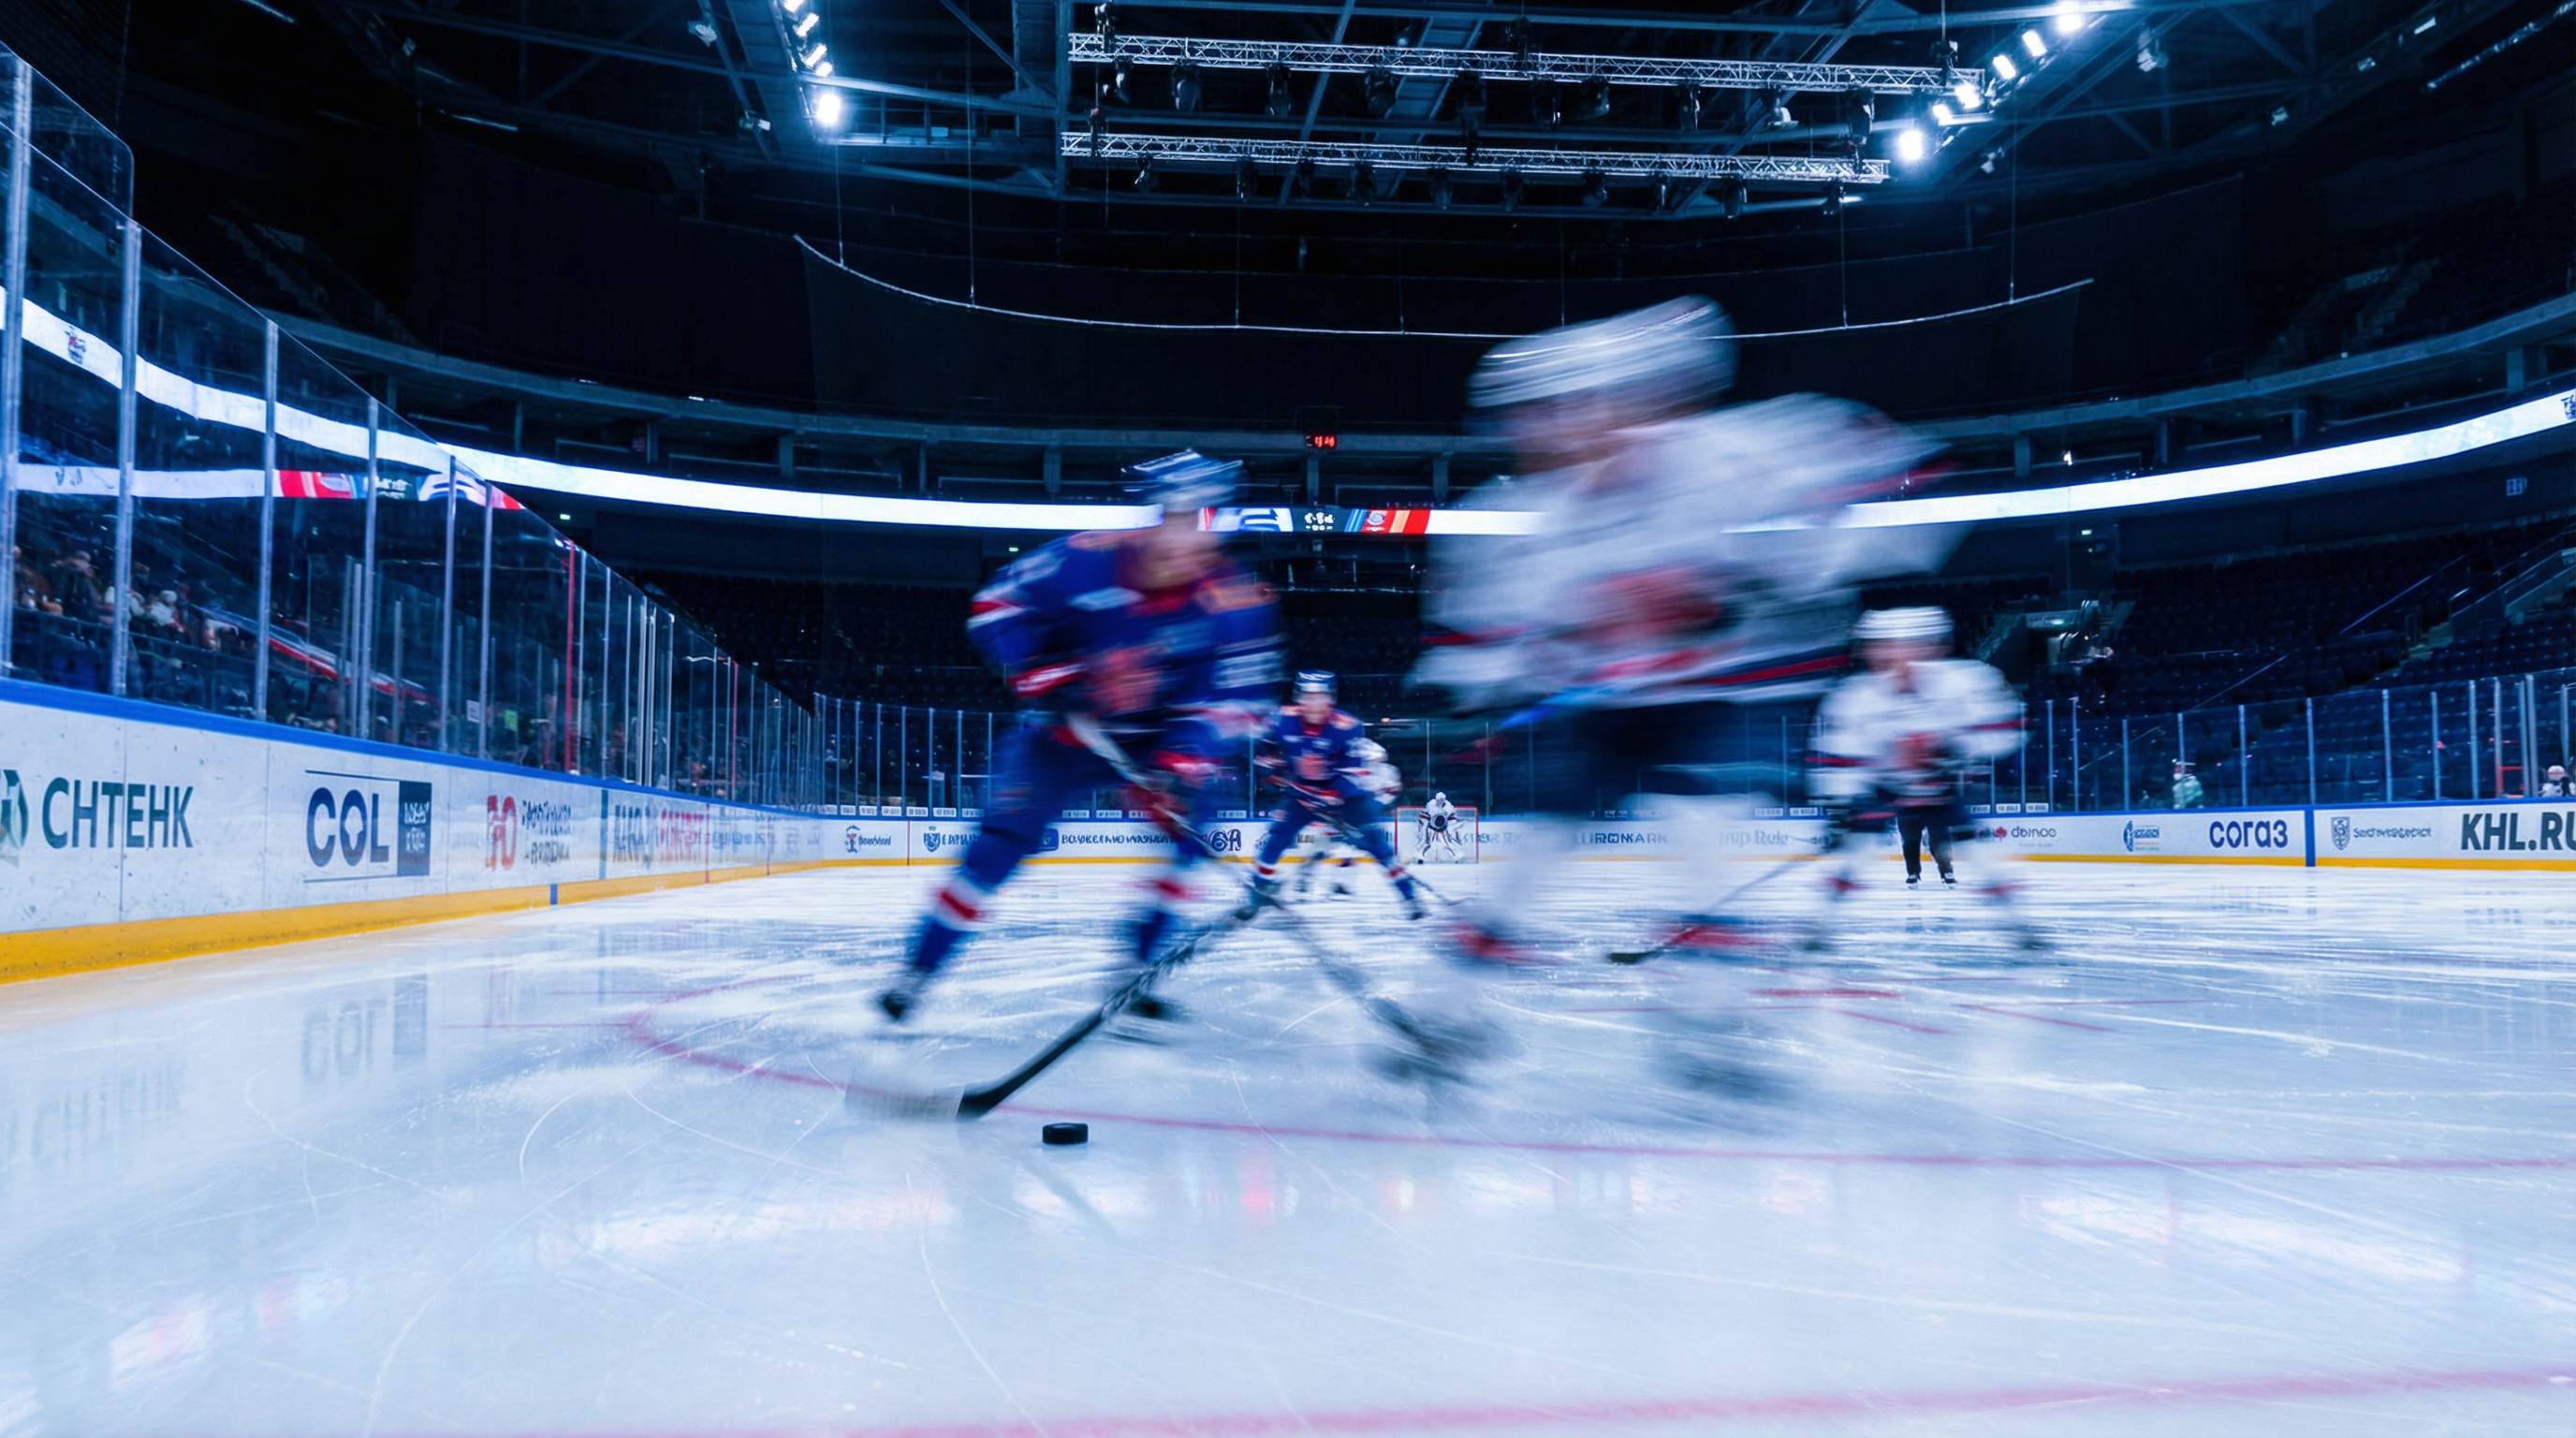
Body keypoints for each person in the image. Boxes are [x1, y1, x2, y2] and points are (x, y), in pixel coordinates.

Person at [1412, 296, 1952, 962]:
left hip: (1704, 692)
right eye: (1532, 416)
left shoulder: (1729, 458)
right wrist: (1506, 678)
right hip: (1608, 703)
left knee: (1698, 811)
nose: (1541, 432)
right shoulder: (1536, 514)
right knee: (1554, 815)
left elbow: (1906, 477)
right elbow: (1488, 634)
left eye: (1561, 408)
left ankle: (1711, 974)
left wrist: (1805, 570)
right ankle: (1476, 961)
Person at [877, 451, 1282, 1022]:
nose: (1182, 538)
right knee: (997, 846)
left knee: (1192, 835)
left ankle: (1134, 970)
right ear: (1150, 515)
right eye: (1171, 517)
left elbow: (1242, 702)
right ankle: (917, 972)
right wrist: (1049, 676)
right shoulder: (1081, 559)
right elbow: (994, 607)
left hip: (1156, 743)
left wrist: (1183, 761)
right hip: (1060, 738)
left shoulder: (1235, 604)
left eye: (1199, 520)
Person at [1808, 609, 2037, 944]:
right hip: (1886, 785)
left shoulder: (1966, 682)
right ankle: (1821, 926)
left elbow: (2009, 728)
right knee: (1855, 853)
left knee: (1978, 851)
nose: (1887, 655)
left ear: (1929, 646)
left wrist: (1951, 750)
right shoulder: (1857, 696)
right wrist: (1840, 807)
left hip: (1940, 787)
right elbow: (1837, 755)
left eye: (1897, 645)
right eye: (1879, 646)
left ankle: (2021, 926)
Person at [1245, 672, 1427, 920]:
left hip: (1348, 799)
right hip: (1302, 792)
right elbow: (1264, 745)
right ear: (1299, 699)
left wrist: (1331, 795)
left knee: (1375, 843)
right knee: (1277, 836)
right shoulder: (1282, 718)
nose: (1313, 703)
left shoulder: (1347, 726)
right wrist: (1271, 767)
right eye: (1307, 697)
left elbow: (1353, 774)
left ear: (1330, 699)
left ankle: (1409, 896)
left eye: (1319, 696)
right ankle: (1258, 891)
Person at [1295, 735, 1403, 897]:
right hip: (1336, 818)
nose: (1374, 762)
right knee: (1321, 850)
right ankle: (1305, 879)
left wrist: (1370, 808)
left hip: (1358, 820)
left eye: (1376, 759)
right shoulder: (1350, 770)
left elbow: (1388, 793)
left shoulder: (1386, 772)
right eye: (1371, 759)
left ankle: (1341, 884)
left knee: (1347, 852)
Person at [1417, 790, 1465, 862]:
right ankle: (1420, 855)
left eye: (1442, 800)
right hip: (1431, 829)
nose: (1440, 801)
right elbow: (1424, 818)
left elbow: (1451, 820)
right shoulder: (1430, 806)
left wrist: (1452, 829)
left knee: (1447, 844)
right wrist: (1424, 828)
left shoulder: (1448, 807)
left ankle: (1456, 856)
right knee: (1428, 844)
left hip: (1443, 829)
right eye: (1439, 799)